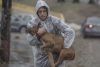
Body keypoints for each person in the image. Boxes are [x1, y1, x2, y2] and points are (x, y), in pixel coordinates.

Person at [27, 0, 75, 67]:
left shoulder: (55, 20)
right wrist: (38, 34)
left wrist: (64, 47)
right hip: (40, 59)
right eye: (40, 12)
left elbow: (69, 31)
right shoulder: (33, 23)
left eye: (44, 11)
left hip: (56, 57)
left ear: (47, 11)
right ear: (37, 12)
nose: (42, 13)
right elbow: (30, 42)